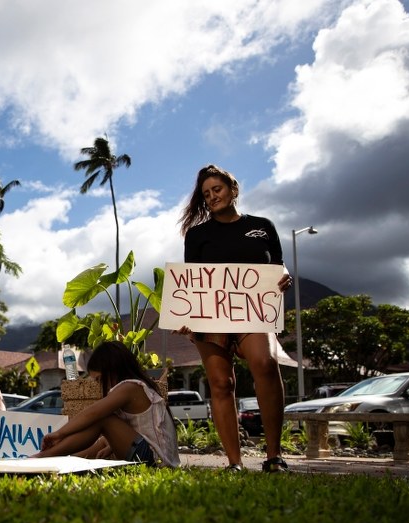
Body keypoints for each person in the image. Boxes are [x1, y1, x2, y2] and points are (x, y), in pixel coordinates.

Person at [176, 164, 293, 472]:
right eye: (206, 194)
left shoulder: (263, 226)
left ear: (233, 190)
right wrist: (189, 318)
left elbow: (278, 267)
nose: (212, 197)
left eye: (217, 189)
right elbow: (194, 282)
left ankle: (274, 455)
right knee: (220, 382)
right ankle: (234, 462)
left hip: (253, 313)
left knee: (265, 364)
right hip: (212, 318)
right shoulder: (197, 235)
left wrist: (284, 278)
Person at [34, 341, 180, 468]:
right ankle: (65, 459)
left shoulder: (130, 387)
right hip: (153, 456)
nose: (98, 385)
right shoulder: (139, 387)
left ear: (113, 370)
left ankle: (42, 458)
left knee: (104, 419)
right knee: (103, 439)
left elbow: (93, 413)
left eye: (99, 379)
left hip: (156, 461)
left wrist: (59, 433)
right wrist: (110, 445)